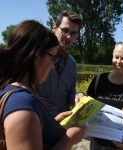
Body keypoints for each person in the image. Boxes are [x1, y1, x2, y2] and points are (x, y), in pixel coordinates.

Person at [0, 20, 86, 149]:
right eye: (53, 58)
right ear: (36, 56)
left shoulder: (18, 95)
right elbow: (26, 119)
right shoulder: (23, 105)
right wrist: (70, 139)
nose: (53, 65)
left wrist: (52, 123)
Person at [36, 10, 85, 118]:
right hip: (38, 122)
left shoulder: (71, 63)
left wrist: (78, 95)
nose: (69, 37)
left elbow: (69, 94)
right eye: (65, 30)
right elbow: (11, 82)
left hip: (62, 126)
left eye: (74, 33)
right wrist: (30, 95)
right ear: (54, 27)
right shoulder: (36, 54)